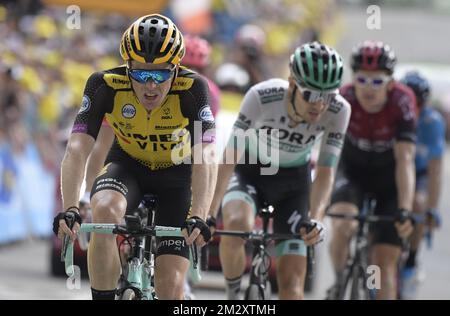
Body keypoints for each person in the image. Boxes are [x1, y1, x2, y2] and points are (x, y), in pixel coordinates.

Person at [52, 14, 217, 300]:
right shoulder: (104, 85)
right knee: (103, 211)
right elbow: (77, 149)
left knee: (170, 290)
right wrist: (71, 207)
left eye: (161, 74)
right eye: (141, 74)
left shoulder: (193, 90)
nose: (150, 86)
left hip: (176, 178)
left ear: (176, 69)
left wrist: (200, 214)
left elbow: (207, 154)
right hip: (127, 167)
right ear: (127, 67)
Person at [208, 42, 351, 300]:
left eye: (328, 96)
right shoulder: (262, 96)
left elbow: (326, 170)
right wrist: (210, 211)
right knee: (237, 223)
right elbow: (230, 157)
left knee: (293, 285)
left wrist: (316, 217)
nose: (319, 105)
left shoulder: (340, 110)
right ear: (292, 83)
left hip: (293, 184)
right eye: (311, 94)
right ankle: (232, 295)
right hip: (249, 172)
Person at [327, 41, 417, 300]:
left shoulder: (402, 101)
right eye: (362, 79)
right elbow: (327, 153)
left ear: (390, 84)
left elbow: (405, 159)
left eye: (377, 82)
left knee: (384, 262)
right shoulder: (343, 98)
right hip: (352, 172)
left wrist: (405, 209)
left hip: (389, 179)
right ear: (353, 79)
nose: (368, 88)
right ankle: (339, 278)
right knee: (343, 224)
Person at [400, 71, 446, 299]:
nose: (413, 108)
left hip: (420, 174)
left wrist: (432, 208)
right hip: (393, 172)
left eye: (417, 103)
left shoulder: (432, 122)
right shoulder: (393, 114)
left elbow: (436, 171)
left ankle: (410, 262)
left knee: (418, 205)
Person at [182, 34, 221, 118]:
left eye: (199, 69)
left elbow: (209, 124)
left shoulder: (211, 91)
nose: (193, 74)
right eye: (186, 68)